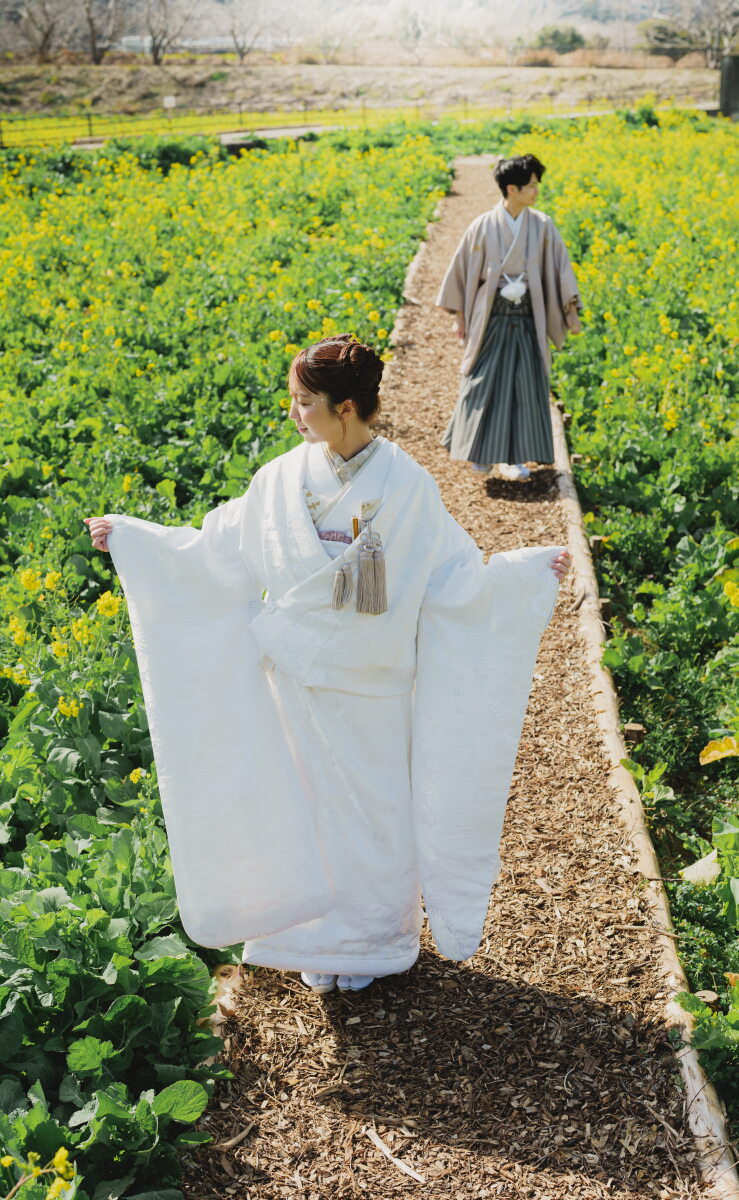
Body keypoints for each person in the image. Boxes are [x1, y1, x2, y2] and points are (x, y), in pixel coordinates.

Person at [85, 335, 570, 996]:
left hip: (371, 684)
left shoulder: (407, 488)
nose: (294, 414)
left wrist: (523, 575)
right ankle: (308, 937)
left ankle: (373, 943)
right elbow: (216, 549)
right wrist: (137, 540)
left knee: (376, 816)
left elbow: (456, 578)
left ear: (346, 407)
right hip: (298, 679)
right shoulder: (281, 482)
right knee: (303, 806)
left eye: (304, 402)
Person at [436, 153, 581, 482]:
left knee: (524, 385)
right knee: (482, 381)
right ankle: (480, 452)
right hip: (492, 316)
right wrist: (460, 317)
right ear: (511, 189)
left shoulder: (542, 225)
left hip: (529, 315)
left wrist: (570, 310)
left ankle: (514, 458)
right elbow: (461, 271)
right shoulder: (483, 226)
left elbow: (560, 268)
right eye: (531, 185)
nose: (537, 191)